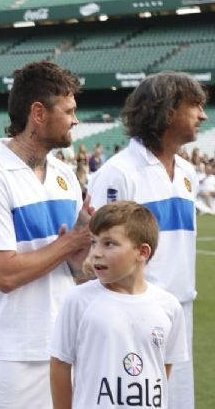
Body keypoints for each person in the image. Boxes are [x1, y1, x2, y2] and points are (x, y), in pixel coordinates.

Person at [0, 61, 93, 409]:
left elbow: (78, 272)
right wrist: (69, 244)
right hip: (10, 355)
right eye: (68, 111)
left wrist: (84, 260)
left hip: (65, 346)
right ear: (38, 113)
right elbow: (4, 273)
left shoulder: (66, 176)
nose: (75, 120)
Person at [86, 71, 207, 409]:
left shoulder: (187, 174)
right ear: (168, 110)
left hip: (179, 312)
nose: (203, 115)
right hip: (132, 315)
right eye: (195, 105)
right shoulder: (119, 172)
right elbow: (97, 252)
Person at [49, 201, 188, 409]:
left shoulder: (169, 307)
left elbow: (162, 367)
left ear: (142, 252)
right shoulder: (78, 301)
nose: (95, 252)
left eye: (109, 244)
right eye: (94, 242)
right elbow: (60, 365)